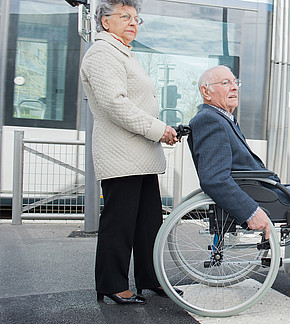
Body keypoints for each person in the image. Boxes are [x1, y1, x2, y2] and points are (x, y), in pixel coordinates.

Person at [187, 65, 290, 287]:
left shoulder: (219, 118)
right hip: (258, 196)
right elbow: (214, 178)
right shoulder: (211, 120)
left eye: (235, 82)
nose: (234, 87)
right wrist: (251, 211)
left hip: (259, 189)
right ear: (206, 92)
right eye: (225, 83)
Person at [80, 0, 180, 305]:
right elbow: (115, 104)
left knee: (148, 223)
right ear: (105, 22)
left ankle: (151, 278)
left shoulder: (122, 52)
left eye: (137, 18)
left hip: (139, 154)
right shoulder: (101, 54)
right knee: (120, 222)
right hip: (121, 153)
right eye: (125, 17)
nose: (133, 22)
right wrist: (157, 129)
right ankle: (112, 284)